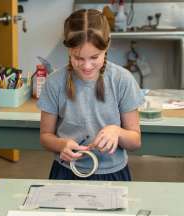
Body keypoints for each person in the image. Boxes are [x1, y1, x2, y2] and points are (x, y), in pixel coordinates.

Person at [38, 9, 144, 181]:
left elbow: (135, 141)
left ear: (107, 46)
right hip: (66, 173)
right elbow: (45, 137)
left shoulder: (122, 80)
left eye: (94, 57)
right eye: (78, 58)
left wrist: (117, 132)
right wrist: (61, 144)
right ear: (68, 49)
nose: (87, 66)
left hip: (112, 174)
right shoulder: (54, 82)